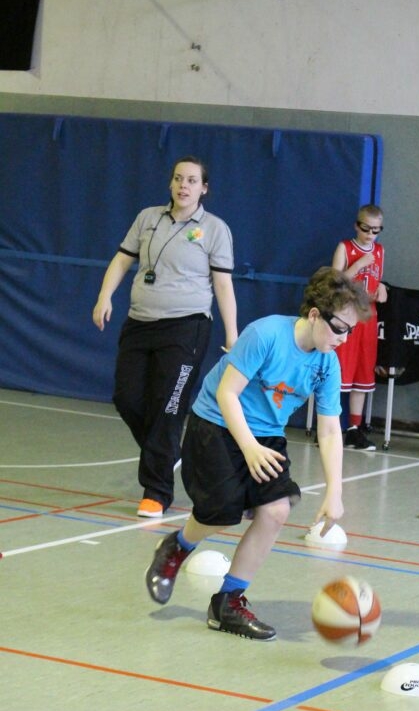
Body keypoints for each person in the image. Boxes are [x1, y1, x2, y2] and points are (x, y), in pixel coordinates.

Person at [144, 267, 371, 641]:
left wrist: (335, 491)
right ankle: (177, 546)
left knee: (276, 510)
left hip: (266, 433)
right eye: (340, 328)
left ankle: (228, 602)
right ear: (315, 314)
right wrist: (248, 447)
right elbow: (227, 393)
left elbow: (330, 429)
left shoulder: (327, 363)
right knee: (222, 511)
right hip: (216, 422)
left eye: (351, 331)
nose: (344, 339)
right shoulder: (265, 334)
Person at [93, 156, 238, 519]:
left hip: (187, 327)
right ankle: (167, 452)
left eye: (191, 180)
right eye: (178, 179)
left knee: (168, 406)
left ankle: (156, 492)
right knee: (126, 397)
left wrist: (232, 334)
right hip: (140, 322)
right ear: (171, 183)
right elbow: (122, 260)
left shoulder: (215, 229)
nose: (183, 186)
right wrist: (104, 296)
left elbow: (223, 284)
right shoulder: (148, 218)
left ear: (204, 188)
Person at [331, 204, 388, 450]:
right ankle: (330, 427)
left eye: (376, 230)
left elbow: (376, 281)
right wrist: (359, 265)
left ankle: (354, 429)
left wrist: (381, 290)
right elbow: (334, 282)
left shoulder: (380, 251)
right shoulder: (345, 248)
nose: (370, 234)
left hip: (368, 317)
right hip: (346, 315)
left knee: (362, 375)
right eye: (366, 229)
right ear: (357, 226)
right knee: (339, 374)